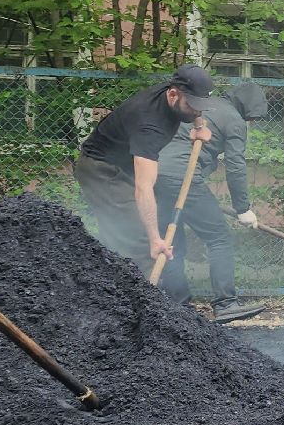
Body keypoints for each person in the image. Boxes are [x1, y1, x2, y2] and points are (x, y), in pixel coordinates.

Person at [72, 66, 215, 279]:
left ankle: (112, 283)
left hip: (124, 166)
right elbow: (143, 188)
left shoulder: (177, 92)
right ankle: (138, 296)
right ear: (173, 94)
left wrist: (199, 125)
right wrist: (155, 240)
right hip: (102, 171)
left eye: (200, 106)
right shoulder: (148, 126)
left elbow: (195, 106)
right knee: (138, 239)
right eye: (192, 106)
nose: (196, 111)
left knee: (130, 232)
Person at [153, 82, 269, 323]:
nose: (249, 121)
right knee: (219, 239)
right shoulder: (233, 119)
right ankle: (225, 303)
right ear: (247, 107)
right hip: (183, 177)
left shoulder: (199, 106)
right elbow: (235, 165)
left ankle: (177, 306)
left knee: (172, 243)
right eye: (251, 117)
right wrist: (243, 209)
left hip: (152, 175)